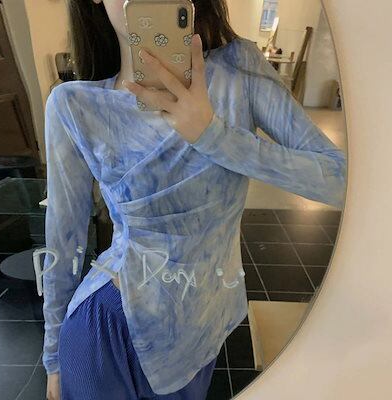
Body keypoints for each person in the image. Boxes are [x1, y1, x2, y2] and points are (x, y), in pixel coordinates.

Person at [42, 0, 347, 399]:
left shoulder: (239, 70)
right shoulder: (73, 104)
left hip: (202, 327)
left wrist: (212, 134)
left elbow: (341, 181)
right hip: (107, 329)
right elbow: (63, 241)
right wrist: (53, 357)